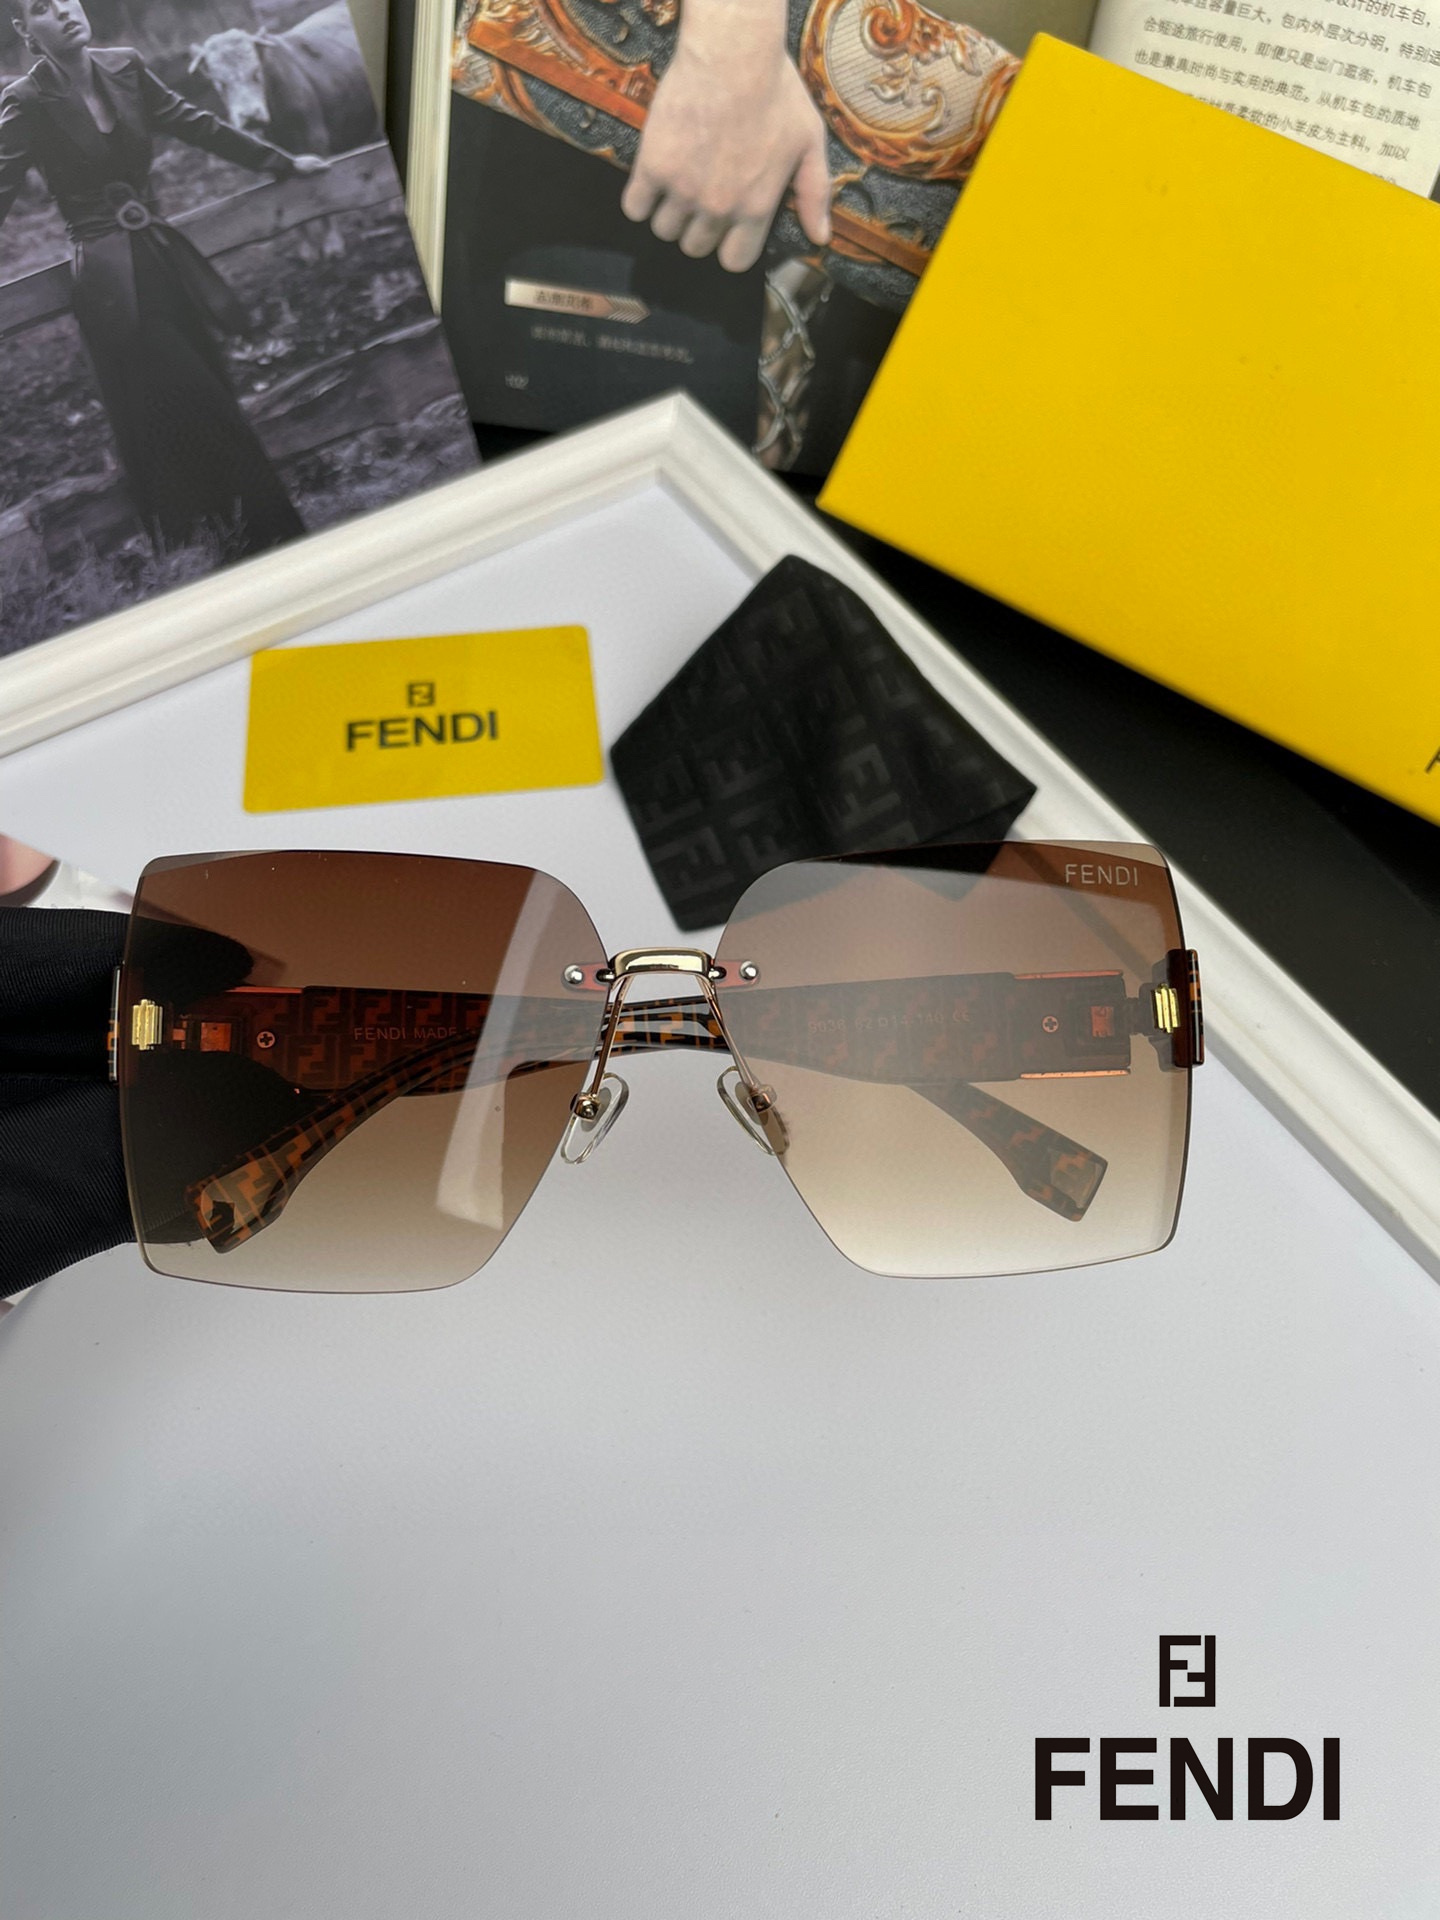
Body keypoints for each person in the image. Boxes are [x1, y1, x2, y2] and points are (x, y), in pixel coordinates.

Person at [0, 0, 330, 559]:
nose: (63, 12)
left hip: (164, 262)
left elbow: (195, 123)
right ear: (25, 30)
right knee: (199, 407)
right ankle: (275, 542)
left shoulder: (125, 65)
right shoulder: (27, 100)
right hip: (110, 286)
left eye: (66, 0)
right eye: (42, 9)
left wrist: (280, 162)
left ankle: (228, 544)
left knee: (207, 397)